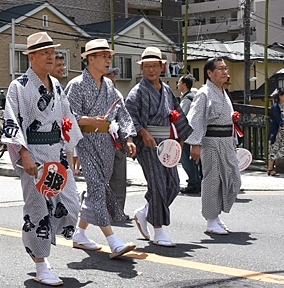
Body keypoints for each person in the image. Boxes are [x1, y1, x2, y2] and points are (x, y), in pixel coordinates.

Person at [2, 32, 83, 286]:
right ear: (32, 56)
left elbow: (66, 120)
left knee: (70, 204)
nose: (51, 57)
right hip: (33, 153)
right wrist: (23, 152)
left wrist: (73, 151)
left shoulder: (57, 86)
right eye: (45, 53)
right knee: (38, 209)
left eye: (52, 52)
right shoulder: (19, 86)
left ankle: (40, 244)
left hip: (57, 151)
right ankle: (40, 263)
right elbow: (12, 121)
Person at [65, 39, 137, 259]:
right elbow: (67, 117)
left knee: (99, 186)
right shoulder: (76, 85)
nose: (108, 60)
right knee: (96, 187)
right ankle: (113, 241)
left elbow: (122, 114)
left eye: (109, 56)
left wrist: (129, 138)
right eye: (103, 56)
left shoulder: (109, 86)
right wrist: (87, 120)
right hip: (85, 143)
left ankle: (79, 233)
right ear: (90, 58)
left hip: (106, 143)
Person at [125, 47, 192, 247]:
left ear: (162, 67)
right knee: (158, 184)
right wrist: (143, 133)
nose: (151, 70)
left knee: (173, 184)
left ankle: (145, 212)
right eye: (147, 66)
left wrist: (180, 140)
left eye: (155, 65)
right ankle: (158, 230)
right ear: (142, 68)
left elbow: (178, 114)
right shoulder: (137, 92)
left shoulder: (168, 91)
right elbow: (128, 116)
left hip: (167, 143)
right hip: (148, 144)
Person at [186, 57, 241, 235]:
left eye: (226, 68)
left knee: (233, 178)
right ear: (210, 73)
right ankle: (211, 219)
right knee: (212, 179)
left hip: (226, 141)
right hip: (211, 141)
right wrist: (195, 144)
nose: (225, 72)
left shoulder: (223, 92)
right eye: (221, 69)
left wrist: (234, 142)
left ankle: (216, 216)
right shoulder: (204, 93)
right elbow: (195, 119)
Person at [103, 66, 130, 220]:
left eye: (114, 74)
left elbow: (125, 117)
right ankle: (94, 206)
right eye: (110, 74)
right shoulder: (90, 90)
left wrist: (128, 138)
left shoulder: (117, 93)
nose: (113, 77)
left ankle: (118, 210)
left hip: (117, 138)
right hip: (98, 137)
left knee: (119, 176)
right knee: (100, 177)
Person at [177, 74, 201, 194]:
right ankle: (196, 181)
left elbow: (181, 118)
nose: (177, 84)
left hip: (186, 134)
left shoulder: (187, 100)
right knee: (193, 160)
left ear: (185, 85)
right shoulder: (193, 97)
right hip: (194, 133)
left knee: (186, 159)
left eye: (179, 82)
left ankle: (193, 184)